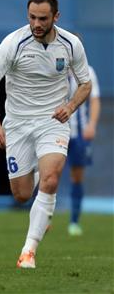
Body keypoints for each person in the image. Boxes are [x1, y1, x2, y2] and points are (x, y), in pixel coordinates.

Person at [0, 0, 91, 269]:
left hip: (52, 121)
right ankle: (40, 181)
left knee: (52, 181)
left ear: (56, 16)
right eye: (32, 17)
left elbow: (85, 84)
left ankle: (28, 251)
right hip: (17, 124)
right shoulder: (13, 43)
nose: (37, 23)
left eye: (42, 18)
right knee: (21, 195)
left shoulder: (71, 43)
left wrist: (71, 106)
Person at [67, 64, 100, 236]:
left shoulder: (87, 71)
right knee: (48, 174)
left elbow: (94, 99)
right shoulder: (53, 66)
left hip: (79, 133)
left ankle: (74, 221)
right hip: (54, 130)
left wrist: (92, 125)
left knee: (77, 176)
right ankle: (44, 219)